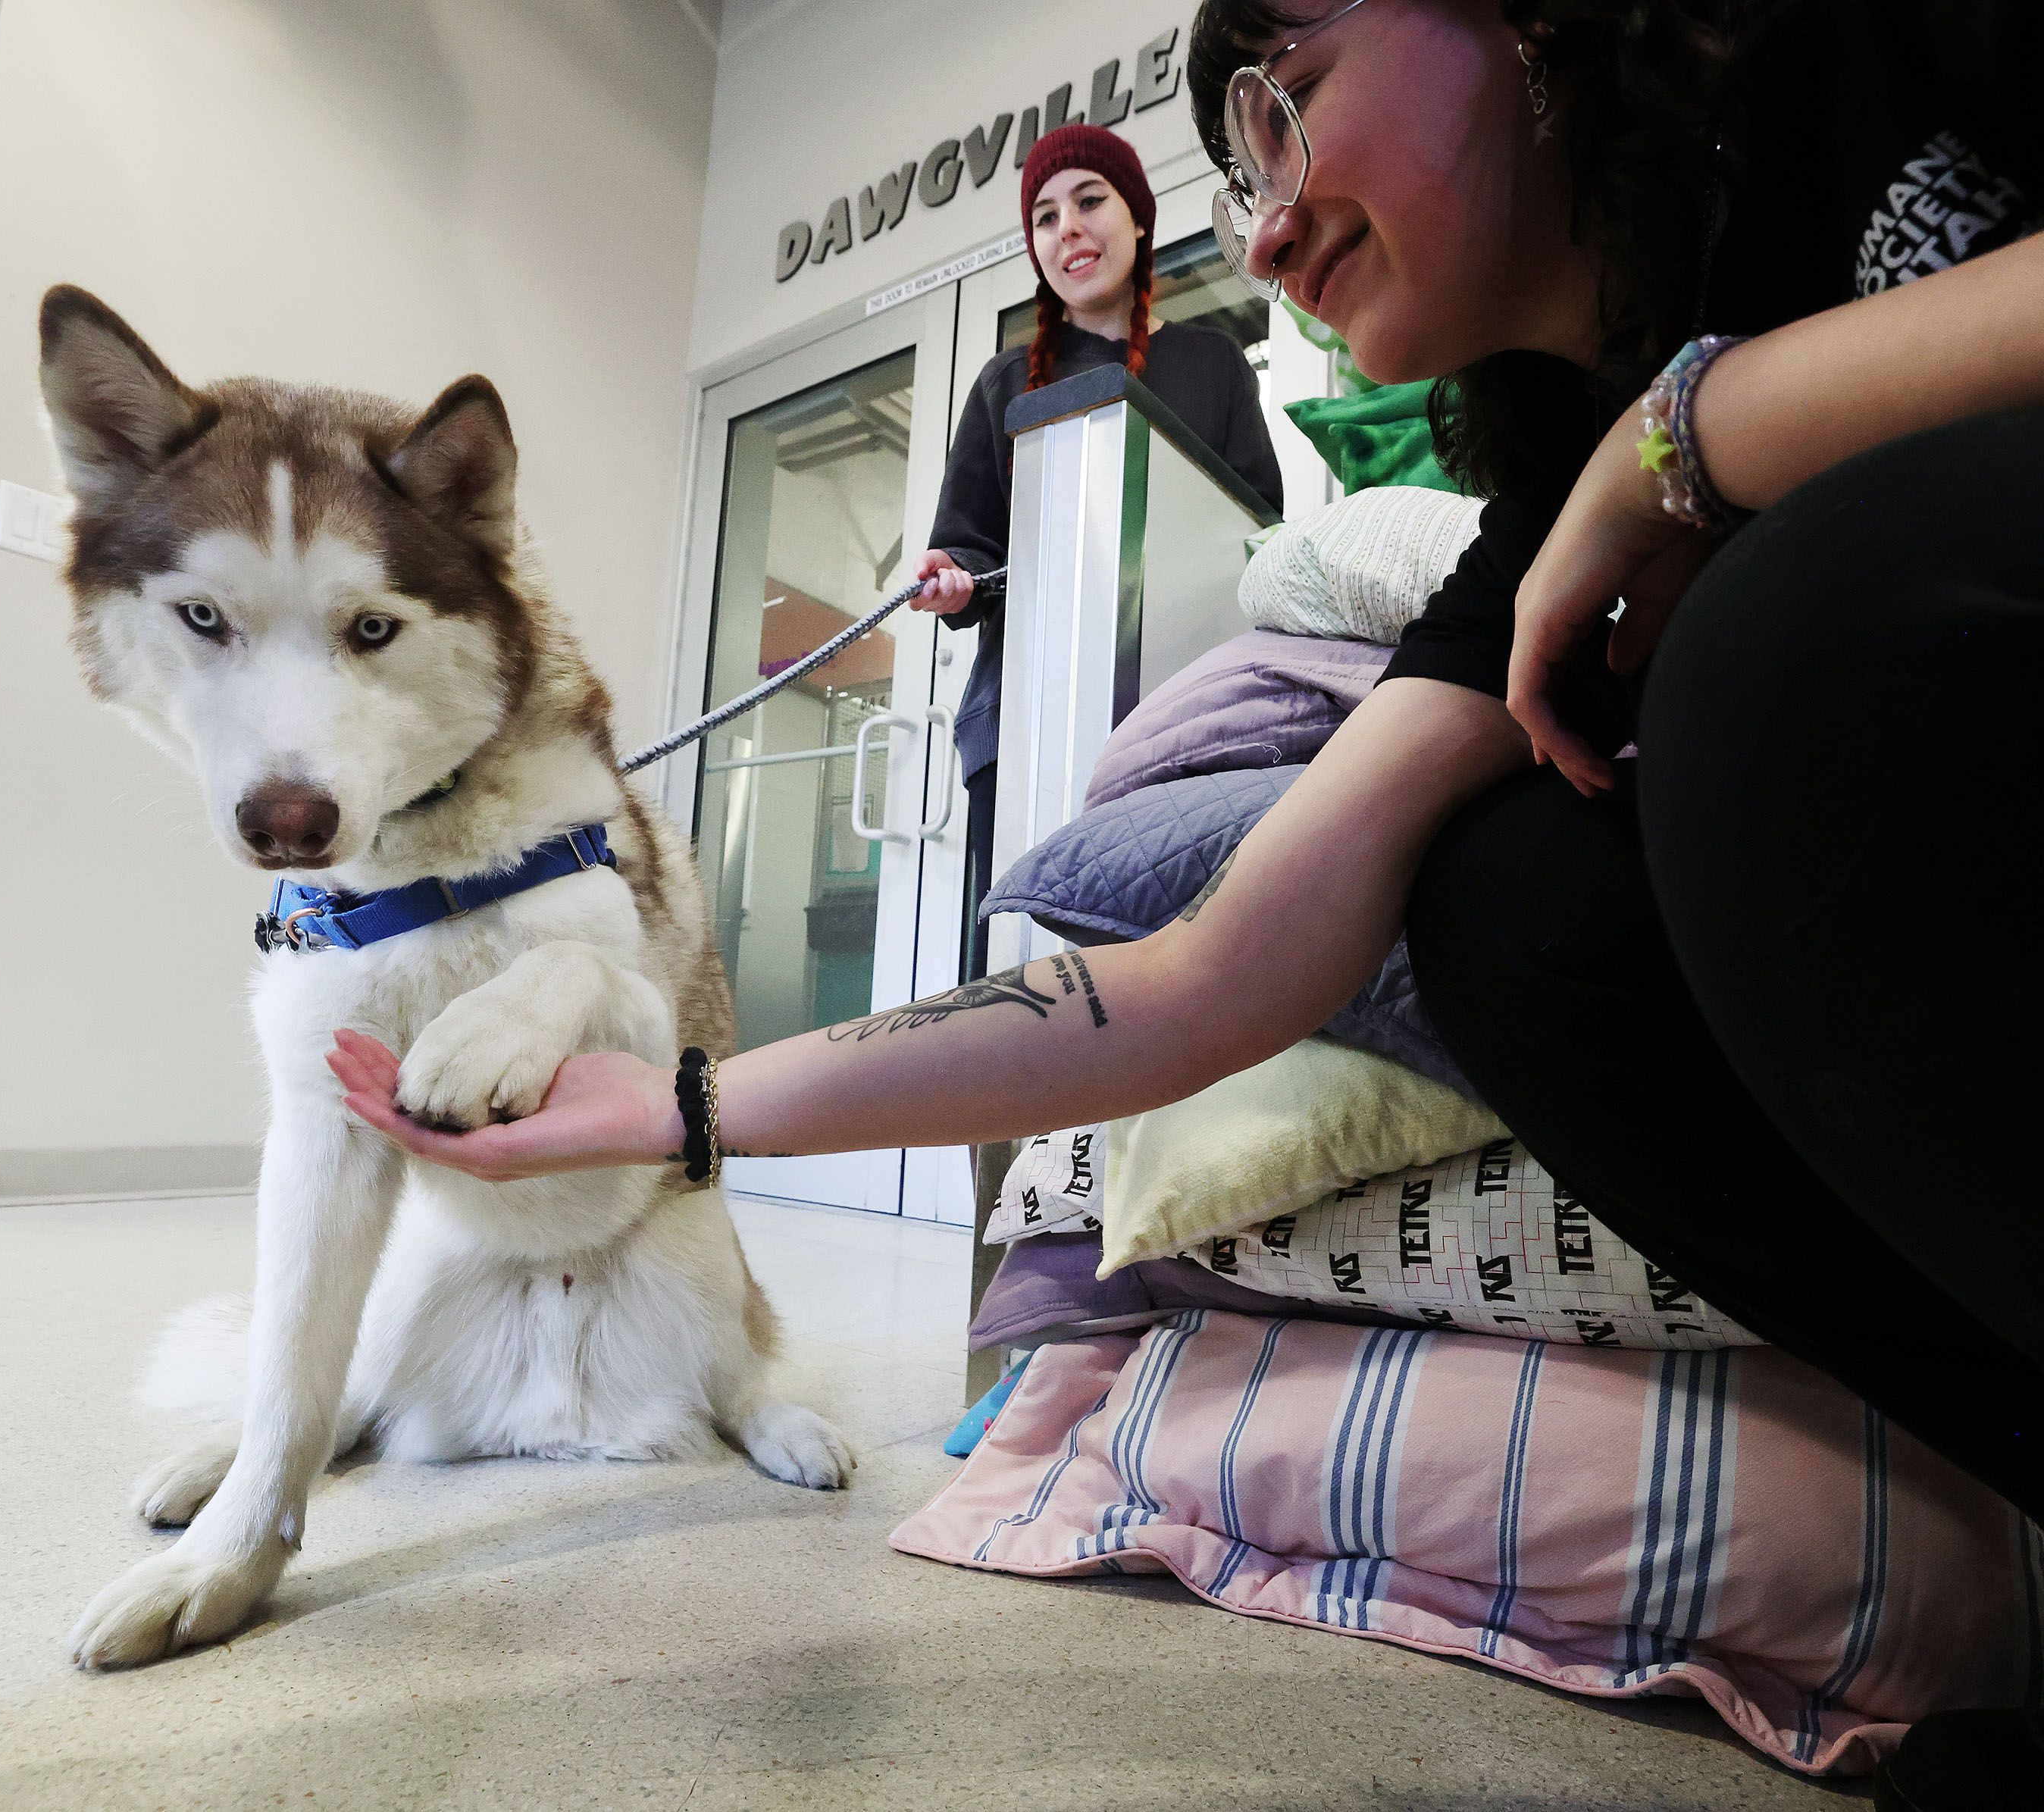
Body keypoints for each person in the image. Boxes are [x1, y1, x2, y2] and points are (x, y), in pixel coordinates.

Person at [331, 4, 2042, 1800]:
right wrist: (683, 1103)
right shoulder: (1530, 509)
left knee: (1769, 651)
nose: (1272, 223)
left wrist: (1684, 433)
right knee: (1499, 900)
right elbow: (1210, 966)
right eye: (1235, 182)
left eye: (1286, 107)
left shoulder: (1837, 57)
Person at [906, 122, 1284, 967]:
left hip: (1184, 724)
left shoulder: (1214, 365)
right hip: (1022, 725)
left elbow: (1258, 534)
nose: (1067, 229)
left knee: (1163, 969)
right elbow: (965, 542)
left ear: (1139, 219)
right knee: (1024, 976)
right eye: (1044, 216)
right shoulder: (1005, 381)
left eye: (1088, 201)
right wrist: (952, 579)